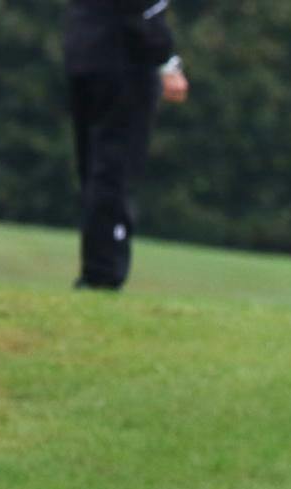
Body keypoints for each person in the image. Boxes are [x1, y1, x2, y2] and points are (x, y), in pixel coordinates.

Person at [63, 0, 190, 291]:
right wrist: (167, 61)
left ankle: (95, 266)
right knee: (114, 168)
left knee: (92, 166)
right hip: (123, 60)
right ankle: (102, 273)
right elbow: (144, 10)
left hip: (82, 52)